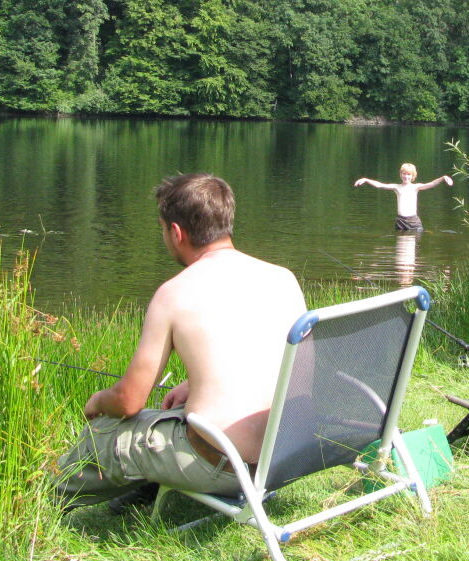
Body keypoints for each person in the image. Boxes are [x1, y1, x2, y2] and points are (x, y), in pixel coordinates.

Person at [53, 173, 305, 509]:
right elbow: (288, 360)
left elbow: (129, 401)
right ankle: (146, 491)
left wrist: (98, 401)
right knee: (169, 412)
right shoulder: (281, 277)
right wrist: (195, 383)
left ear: (176, 232)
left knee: (108, 433)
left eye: (163, 230)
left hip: (222, 464)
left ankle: (38, 504)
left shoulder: (174, 293)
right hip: (284, 454)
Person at [353, 162, 453, 232]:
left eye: (409, 174)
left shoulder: (416, 187)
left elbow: (431, 184)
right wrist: (366, 180)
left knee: (410, 249)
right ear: (401, 175)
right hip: (400, 221)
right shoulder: (396, 187)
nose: (406, 176)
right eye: (404, 174)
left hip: (414, 222)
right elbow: (380, 185)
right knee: (401, 249)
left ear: (413, 176)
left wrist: (443, 178)